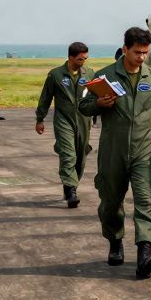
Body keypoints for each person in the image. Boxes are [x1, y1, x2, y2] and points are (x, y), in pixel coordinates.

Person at [79, 27, 151, 280]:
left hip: (144, 150)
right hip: (113, 150)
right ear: (125, 49)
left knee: (145, 201)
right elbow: (82, 106)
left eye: (145, 53)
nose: (141, 57)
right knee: (111, 203)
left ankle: (144, 255)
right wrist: (98, 105)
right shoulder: (103, 77)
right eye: (137, 52)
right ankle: (115, 241)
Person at [35, 42, 94, 208]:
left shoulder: (89, 73)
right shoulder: (55, 75)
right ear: (70, 57)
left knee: (81, 156)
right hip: (63, 120)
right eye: (81, 59)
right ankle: (71, 192)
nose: (84, 62)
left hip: (84, 120)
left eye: (86, 58)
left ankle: (71, 184)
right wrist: (40, 119)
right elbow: (45, 98)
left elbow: (96, 94)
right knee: (68, 154)